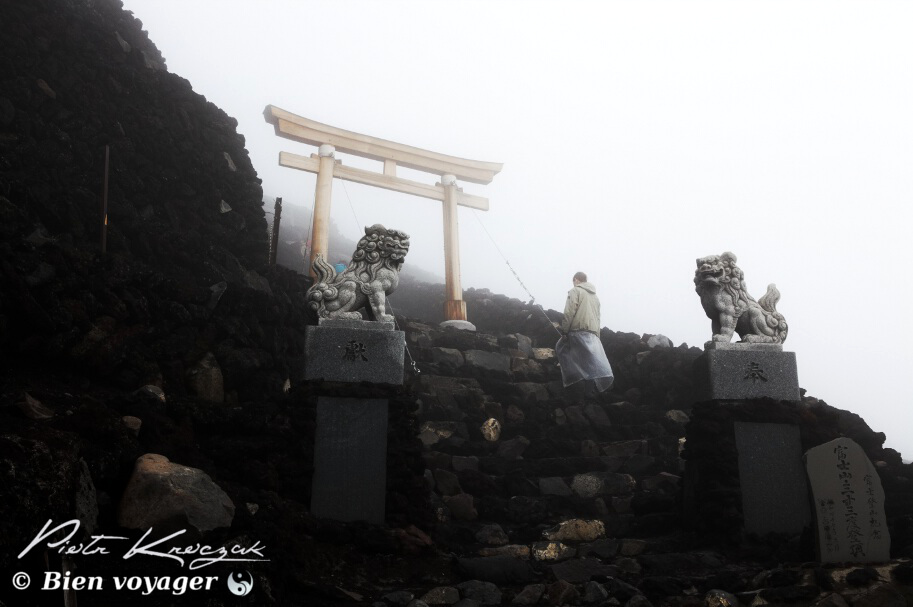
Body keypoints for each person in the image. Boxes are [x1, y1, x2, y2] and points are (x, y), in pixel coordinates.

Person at [556, 272, 614, 393]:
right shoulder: (595, 298)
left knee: (561, 347)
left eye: (573, 281)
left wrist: (565, 331)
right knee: (588, 361)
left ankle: (572, 381)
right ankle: (590, 391)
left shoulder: (575, 291)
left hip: (578, 331)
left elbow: (569, 311)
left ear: (576, 280)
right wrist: (597, 336)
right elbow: (598, 317)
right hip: (592, 334)